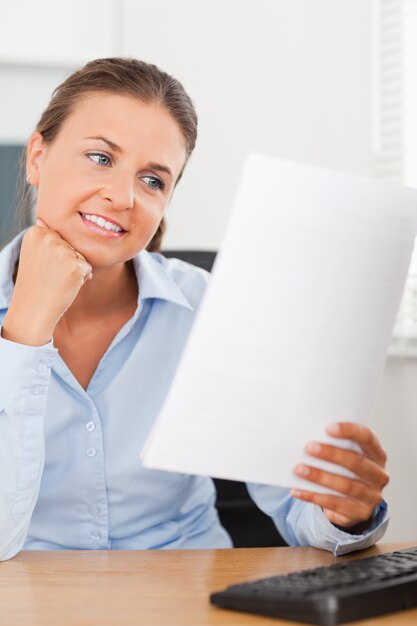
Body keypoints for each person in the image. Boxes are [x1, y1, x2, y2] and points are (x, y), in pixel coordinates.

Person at [0, 57, 389, 561]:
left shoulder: (212, 308)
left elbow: (299, 512)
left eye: (153, 181)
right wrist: (26, 331)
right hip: (33, 595)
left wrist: (344, 510)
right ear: (37, 157)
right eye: (100, 158)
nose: (122, 196)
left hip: (189, 590)